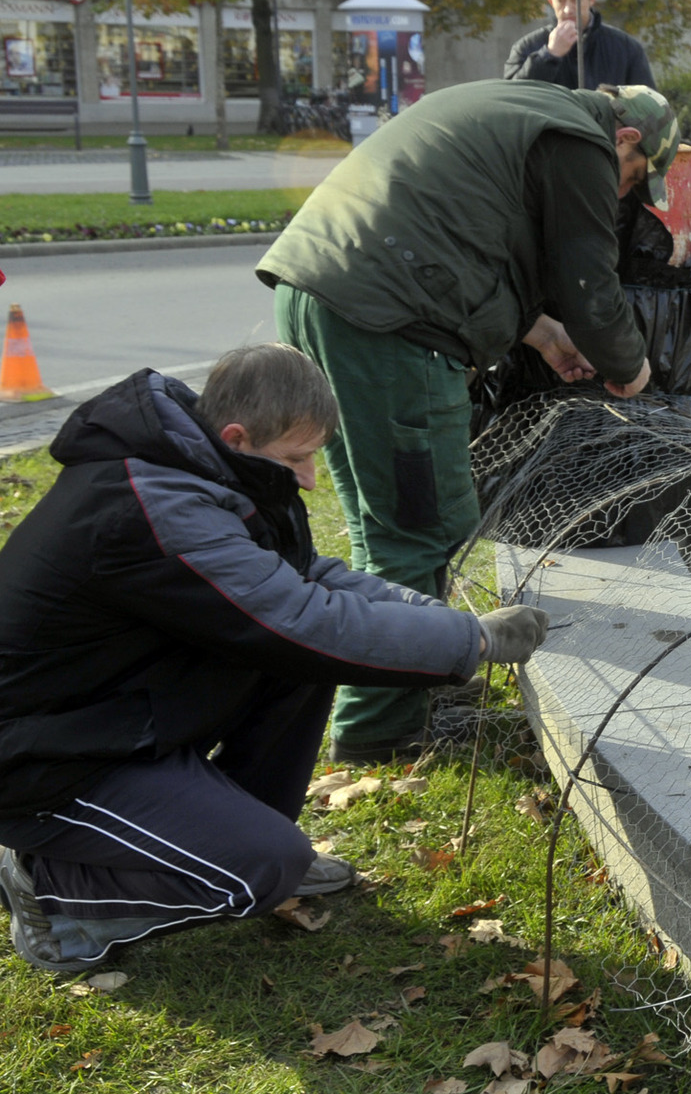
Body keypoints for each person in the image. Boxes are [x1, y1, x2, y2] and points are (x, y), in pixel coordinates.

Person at [0, 345, 549, 973]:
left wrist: (445, 622)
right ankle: (54, 893)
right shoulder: (155, 509)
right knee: (264, 867)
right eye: (296, 457)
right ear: (238, 435)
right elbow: (302, 619)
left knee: (296, 666)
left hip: (106, 716)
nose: (310, 479)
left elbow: (304, 577)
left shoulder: (204, 468)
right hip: (40, 762)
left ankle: (237, 838)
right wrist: (472, 642)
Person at [257, 79, 680, 764]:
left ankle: (409, 679)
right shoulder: (582, 141)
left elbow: (464, 232)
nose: (625, 192)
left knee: (380, 523)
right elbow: (589, 284)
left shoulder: (521, 107)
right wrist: (630, 368)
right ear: (626, 138)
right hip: (389, 324)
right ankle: (381, 728)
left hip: (323, 293)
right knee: (421, 527)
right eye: (632, 177)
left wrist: (540, 333)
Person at [503, 0, 656, 91]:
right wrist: (549, 56)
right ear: (550, 1)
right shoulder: (526, 47)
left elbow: (649, 105)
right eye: (560, 0)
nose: (568, 9)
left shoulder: (626, 49)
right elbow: (512, 98)